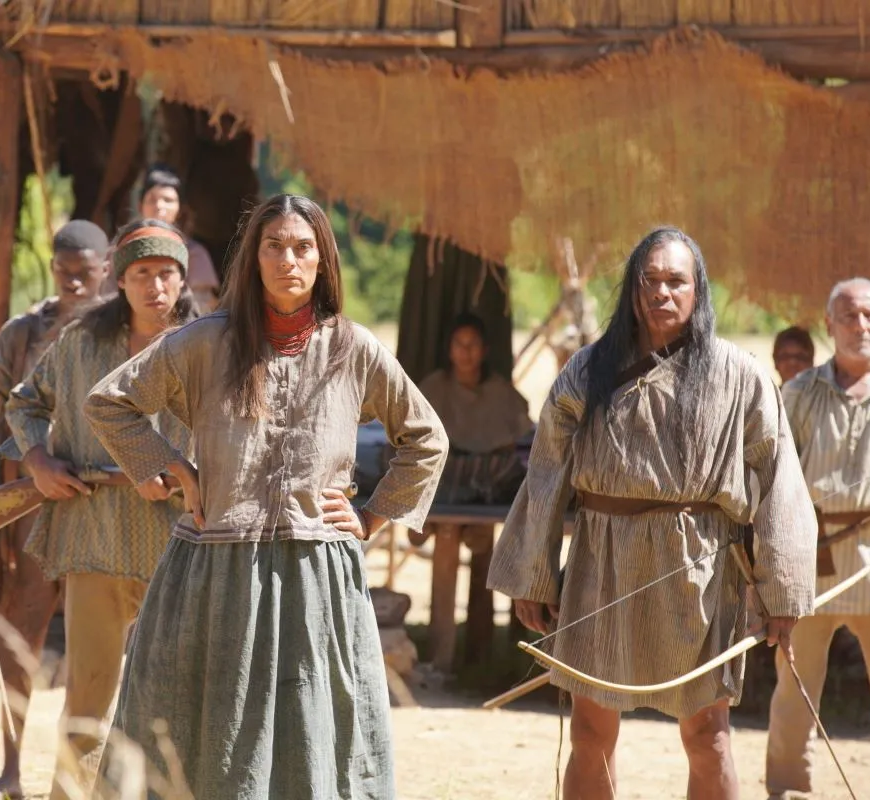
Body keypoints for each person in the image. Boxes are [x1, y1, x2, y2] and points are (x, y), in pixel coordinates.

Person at [83, 193, 447, 799]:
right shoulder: (205, 341)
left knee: (313, 734)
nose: (288, 260)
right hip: (217, 575)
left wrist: (371, 516)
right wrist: (176, 469)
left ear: (323, 260)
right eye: (273, 246)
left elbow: (426, 438)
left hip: (316, 576)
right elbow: (110, 404)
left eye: (303, 247)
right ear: (253, 258)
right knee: (211, 738)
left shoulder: (352, 348)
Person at [487, 226, 817, 800]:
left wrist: (781, 589)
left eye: (676, 281)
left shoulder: (738, 374)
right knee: (590, 733)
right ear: (633, 289)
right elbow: (545, 476)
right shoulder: (587, 370)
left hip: (699, 569)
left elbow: (780, 478)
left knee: (709, 738)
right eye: (651, 279)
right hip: (602, 562)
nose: (662, 292)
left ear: (697, 290)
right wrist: (533, 576)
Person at [4, 218, 198, 800]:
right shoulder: (81, 343)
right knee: (88, 696)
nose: (155, 286)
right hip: (96, 535)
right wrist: (38, 460)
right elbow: (24, 404)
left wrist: (189, 476)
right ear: (120, 280)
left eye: (166, 273)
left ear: (183, 278)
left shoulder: (212, 347)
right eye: (142, 274)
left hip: (185, 542)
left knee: (176, 697)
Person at [0, 220, 110, 800]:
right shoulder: (20, 336)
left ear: (106, 270)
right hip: (35, 506)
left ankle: (96, 779)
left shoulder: (131, 331)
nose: (74, 283)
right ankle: (10, 772)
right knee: (18, 636)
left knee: (105, 650)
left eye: (85, 273)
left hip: (110, 510)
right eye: (64, 272)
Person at [765, 277, 870, 800]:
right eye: (850, 316)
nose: (862, 325)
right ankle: (788, 788)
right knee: (795, 687)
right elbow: (771, 480)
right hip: (812, 559)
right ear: (830, 325)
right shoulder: (801, 393)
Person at [419, 313, 534, 457]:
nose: (466, 351)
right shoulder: (433, 387)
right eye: (459, 344)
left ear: (484, 350)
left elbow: (513, 437)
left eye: (473, 344)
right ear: (449, 350)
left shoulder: (500, 391)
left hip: (491, 464)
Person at [136, 163, 221, 312]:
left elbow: (202, 308)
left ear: (180, 208)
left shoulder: (194, 253)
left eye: (168, 200)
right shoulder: (122, 248)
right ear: (140, 206)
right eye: (152, 199)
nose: (159, 206)